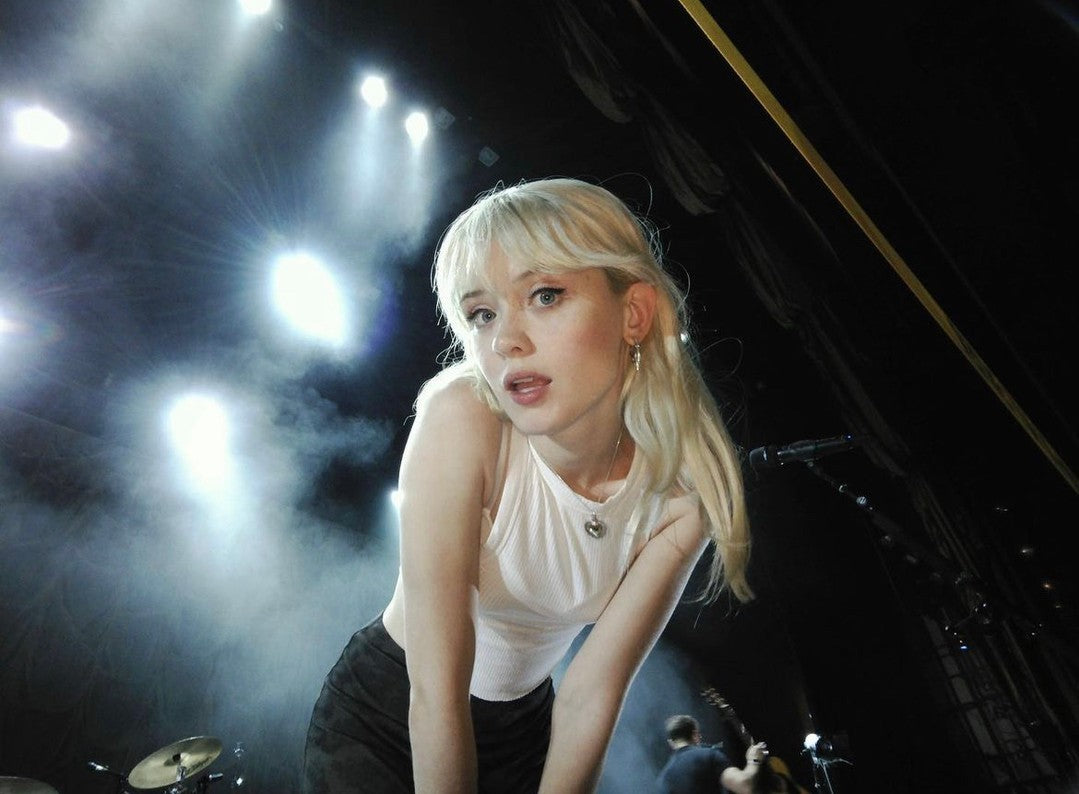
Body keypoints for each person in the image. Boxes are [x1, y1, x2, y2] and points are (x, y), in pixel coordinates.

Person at [301, 177, 752, 793]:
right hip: (386, 713)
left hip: (523, 727)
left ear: (634, 314)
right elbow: (437, 690)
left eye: (544, 295)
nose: (505, 340)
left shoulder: (682, 495)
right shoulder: (462, 418)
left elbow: (592, 692)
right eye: (482, 314)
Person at [655, 714, 771, 794]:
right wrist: (754, 760)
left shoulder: (663, 779)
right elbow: (744, 786)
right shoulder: (708, 755)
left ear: (671, 743)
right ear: (695, 735)